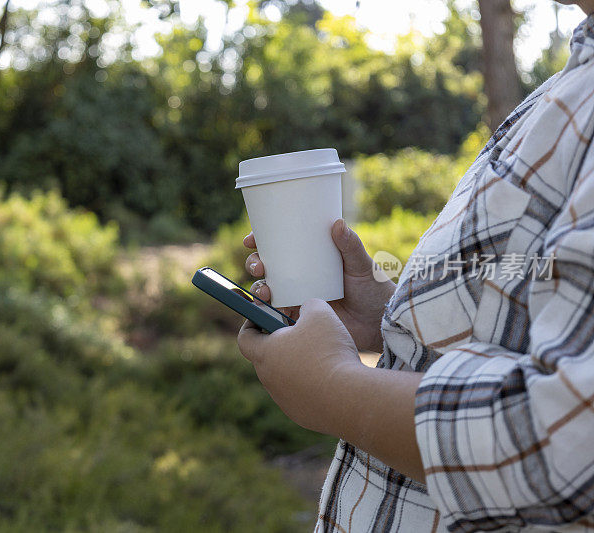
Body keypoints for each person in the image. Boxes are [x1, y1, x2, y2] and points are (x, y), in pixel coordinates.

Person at [237, 3, 594, 531]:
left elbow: (571, 446)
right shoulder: (569, 83)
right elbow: (523, 320)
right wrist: (388, 323)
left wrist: (335, 389)